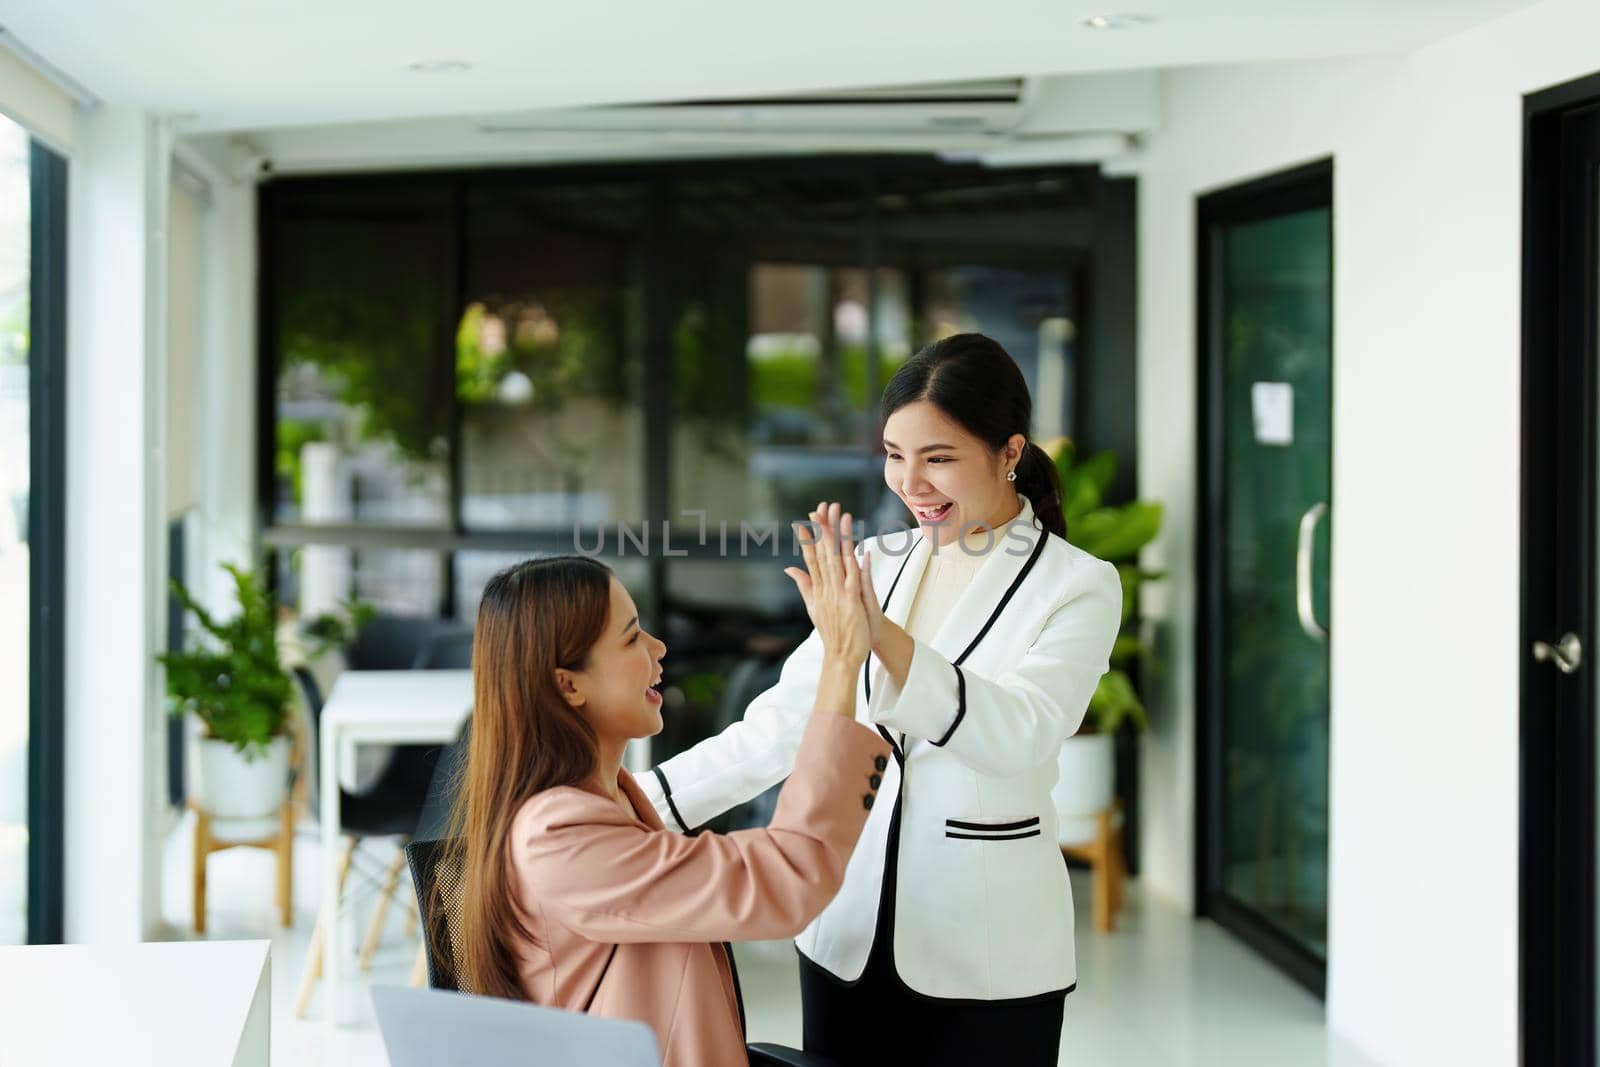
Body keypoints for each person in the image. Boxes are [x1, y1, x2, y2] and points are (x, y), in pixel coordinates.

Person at [636, 333, 1124, 1065]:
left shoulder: (1077, 584)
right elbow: (780, 727)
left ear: (1009, 450)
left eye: (938, 458)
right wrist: (634, 807)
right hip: (847, 929)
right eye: (895, 455)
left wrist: (879, 636)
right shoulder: (877, 562)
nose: (911, 483)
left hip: (987, 954)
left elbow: (1021, 733)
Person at [437, 520, 891, 1067]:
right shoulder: (559, 835)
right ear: (569, 684)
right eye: (631, 637)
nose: (658, 647)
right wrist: (841, 662)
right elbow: (785, 879)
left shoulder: (595, 804)